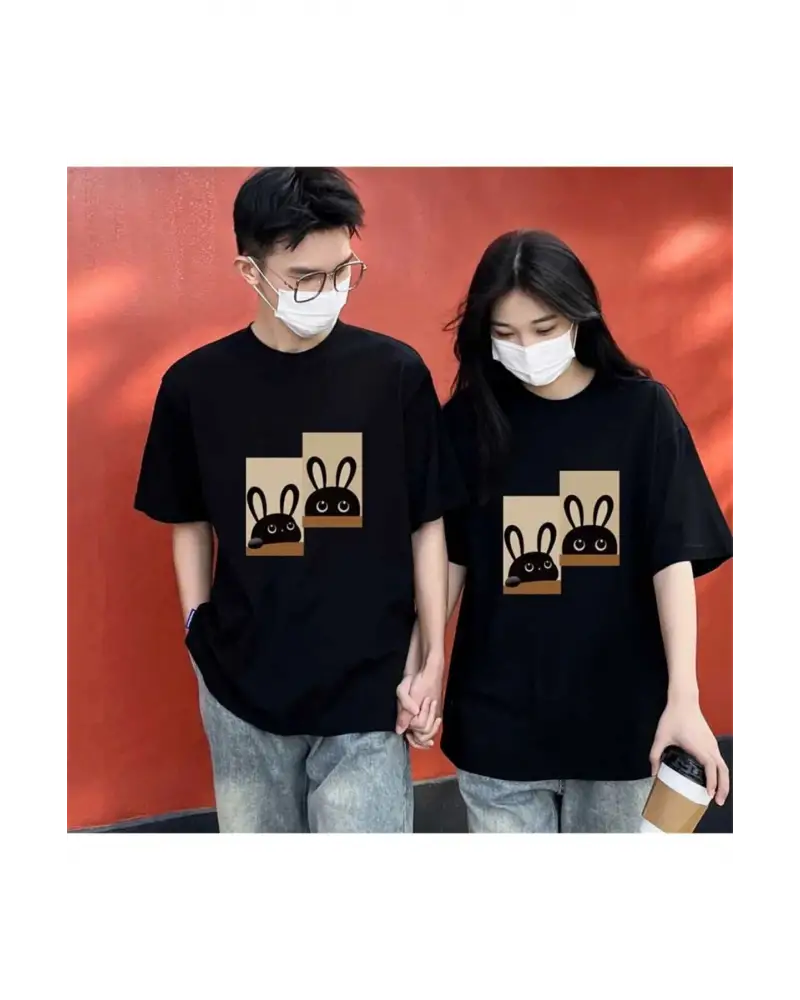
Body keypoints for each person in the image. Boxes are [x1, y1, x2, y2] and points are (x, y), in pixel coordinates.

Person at [134, 167, 460, 833]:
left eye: (342, 272)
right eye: (305, 278)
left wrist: (431, 659)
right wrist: (196, 627)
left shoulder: (394, 375)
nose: (327, 292)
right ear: (250, 272)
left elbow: (428, 522)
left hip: (369, 690)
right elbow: (188, 519)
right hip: (241, 687)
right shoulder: (195, 387)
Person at [425, 229, 733, 833]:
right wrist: (426, 664)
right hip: (498, 728)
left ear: (578, 315)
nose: (526, 348)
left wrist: (685, 699)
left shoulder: (642, 413)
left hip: (622, 727)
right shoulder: (468, 422)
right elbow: (450, 560)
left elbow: (670, 559)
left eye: (543, 329)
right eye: (506, 334)